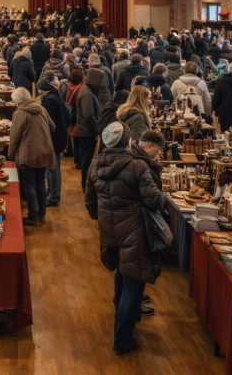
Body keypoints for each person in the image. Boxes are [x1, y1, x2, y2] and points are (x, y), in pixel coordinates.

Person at [84, 122, 165, 356]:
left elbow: (90, 202)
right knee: (133, 284)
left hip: (110, 232)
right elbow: (155, 201)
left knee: (121, 274)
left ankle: (121, 321)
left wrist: (103, 218)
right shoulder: (137, 166)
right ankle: (122, 339)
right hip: (135, 232)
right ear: (128, 142)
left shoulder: (94, 164)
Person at [9, 87, 56, 226]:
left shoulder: (19, 113)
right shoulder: (40, 108)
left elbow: (14, 137)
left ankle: (32, 217)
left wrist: (11, 154)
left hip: (28, 153)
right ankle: (42, 215)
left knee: (29, 185)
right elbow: (52, 126)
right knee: (41, 183)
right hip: (44, 151)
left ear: (17, 102)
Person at [36, 75, 67, 206]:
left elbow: (47, 122)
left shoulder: (50, 101)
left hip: (54, 138)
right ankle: (51, 192)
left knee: (53, 168)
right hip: (59, 136)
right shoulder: (56, 95)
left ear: (41, 89)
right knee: (53, 167)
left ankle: (53, 196)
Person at [76, 68, 105, 191]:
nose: (102, 82)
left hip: (87, 130)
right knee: (87, 160)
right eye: (101, 79)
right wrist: (98, 129)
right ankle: (86, 186)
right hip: (87, 132)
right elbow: (88, 115)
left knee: (87, 159)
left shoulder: (89, 90)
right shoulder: (87, 93)